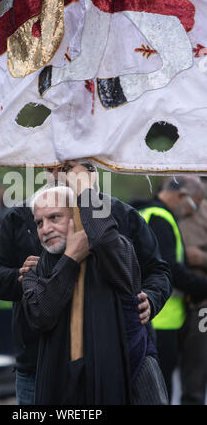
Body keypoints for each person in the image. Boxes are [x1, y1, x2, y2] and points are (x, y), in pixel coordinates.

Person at [21, 162, 170, 405]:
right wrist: (66, 262)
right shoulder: (32, 222)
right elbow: (36, 307)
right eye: (53, 168)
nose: (60, 175)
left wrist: (151, 299)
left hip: (125, 353)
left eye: (69, 168)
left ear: (91, 172)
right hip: (57, 363)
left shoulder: (121, 217)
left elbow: (154, 269)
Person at [131, 175, 207, 402]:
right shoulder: (160, 218)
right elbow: (170, 270)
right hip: (159, 319)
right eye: (194, 204)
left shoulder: (147, 213)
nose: (193, 213)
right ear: (181, 195)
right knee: (159, 392)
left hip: (156, 316)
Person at [0, 199, 43, 405]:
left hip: (92, 363)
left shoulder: (108, 213)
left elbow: (145, 269)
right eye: (40, 222)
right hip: (34, 365)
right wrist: (22, 276)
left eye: (56, 218)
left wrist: (149, 298)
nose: (47, 228)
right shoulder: (20, 215)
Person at [178, 177, 207, 405]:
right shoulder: (171, 205)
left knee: (196, 368)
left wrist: (202, 258)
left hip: (201, 305)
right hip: (171, 302)